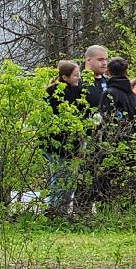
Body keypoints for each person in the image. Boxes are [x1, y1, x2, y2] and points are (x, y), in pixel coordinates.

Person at [43, 60, 89, 218]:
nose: (79, 78)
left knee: (70, 181)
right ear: (65, 77)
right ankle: (55, 210)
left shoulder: (78, 91)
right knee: (60, 178)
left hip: (73, 144)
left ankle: (63, 211)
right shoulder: (54, 93)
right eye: (76, 75)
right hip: (57, 145)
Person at [82, 44, 111, 109]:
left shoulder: (109, 81)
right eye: (100, 60)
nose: (104, 63)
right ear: (89, 60)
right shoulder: (79, 82)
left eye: (106, 59)